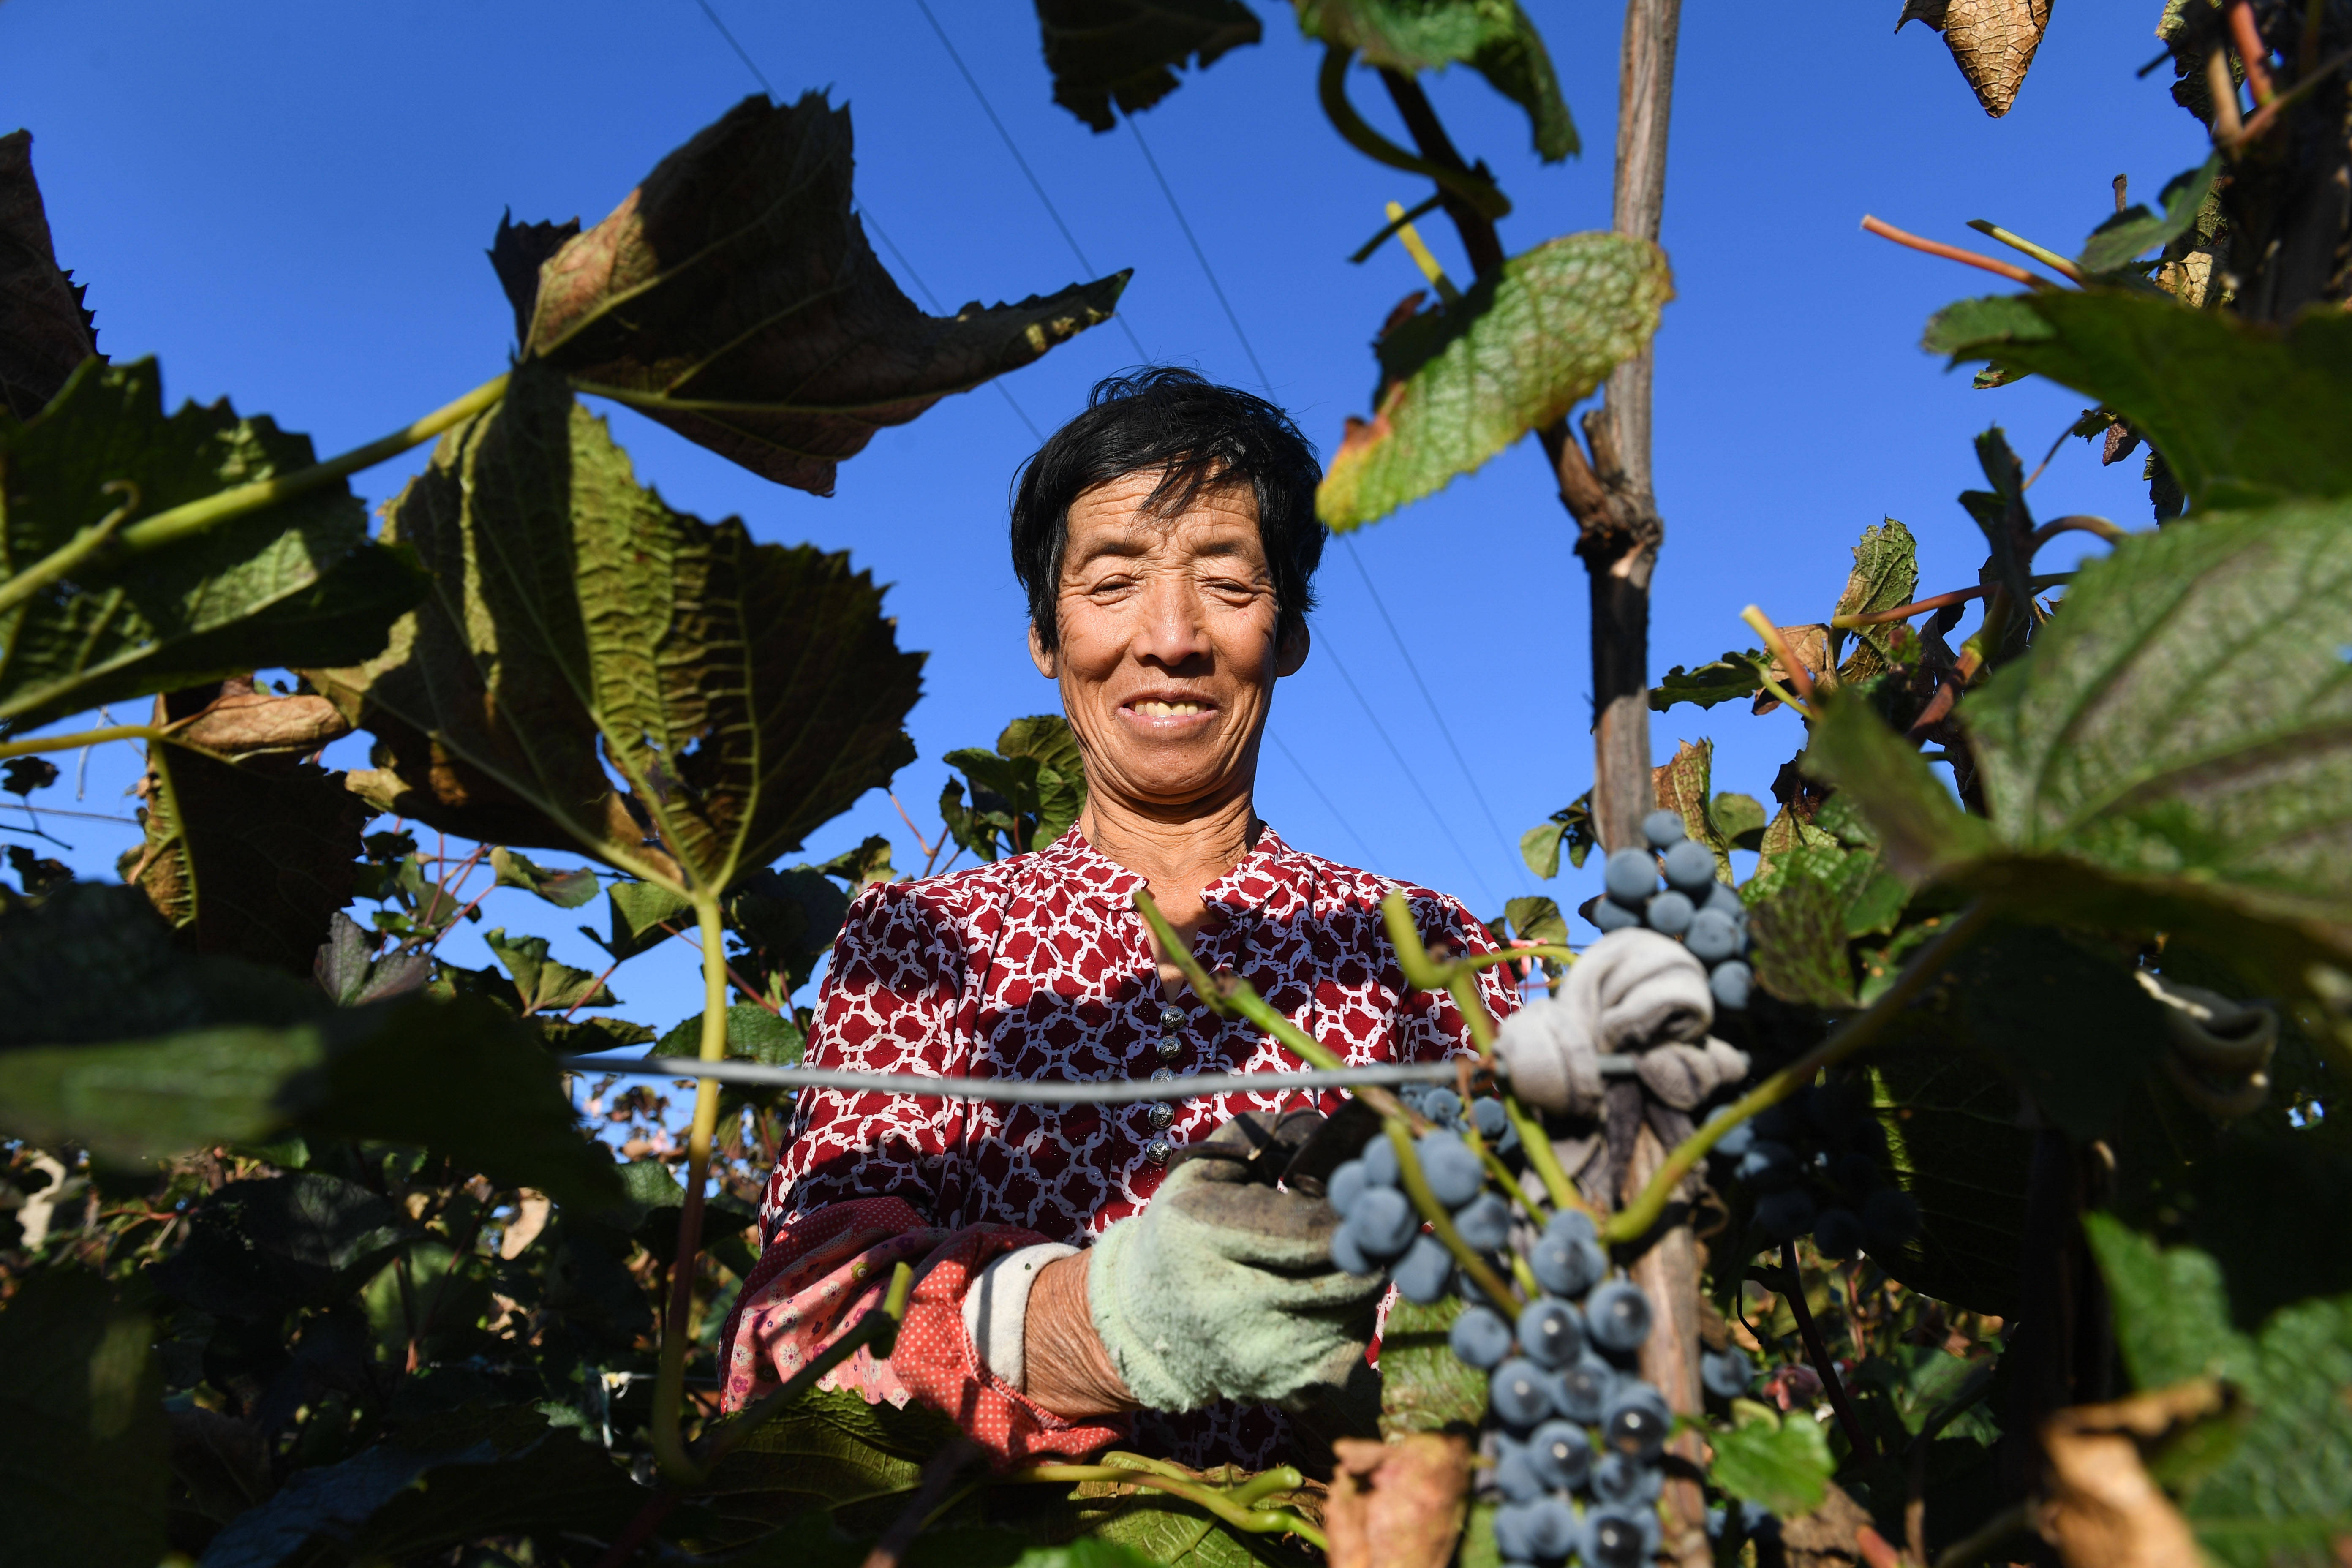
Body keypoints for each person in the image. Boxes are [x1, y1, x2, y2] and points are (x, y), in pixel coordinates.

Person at [719, 368, 1517, 1474]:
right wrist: (1096, 1322)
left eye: (1228, 584)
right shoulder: (925, 941)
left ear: (1288, 635)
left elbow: (1513, 1302)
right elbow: (791, 1333)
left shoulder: (1430, 950)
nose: (1172, 636)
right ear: (1047, 637)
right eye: (1113, 582)